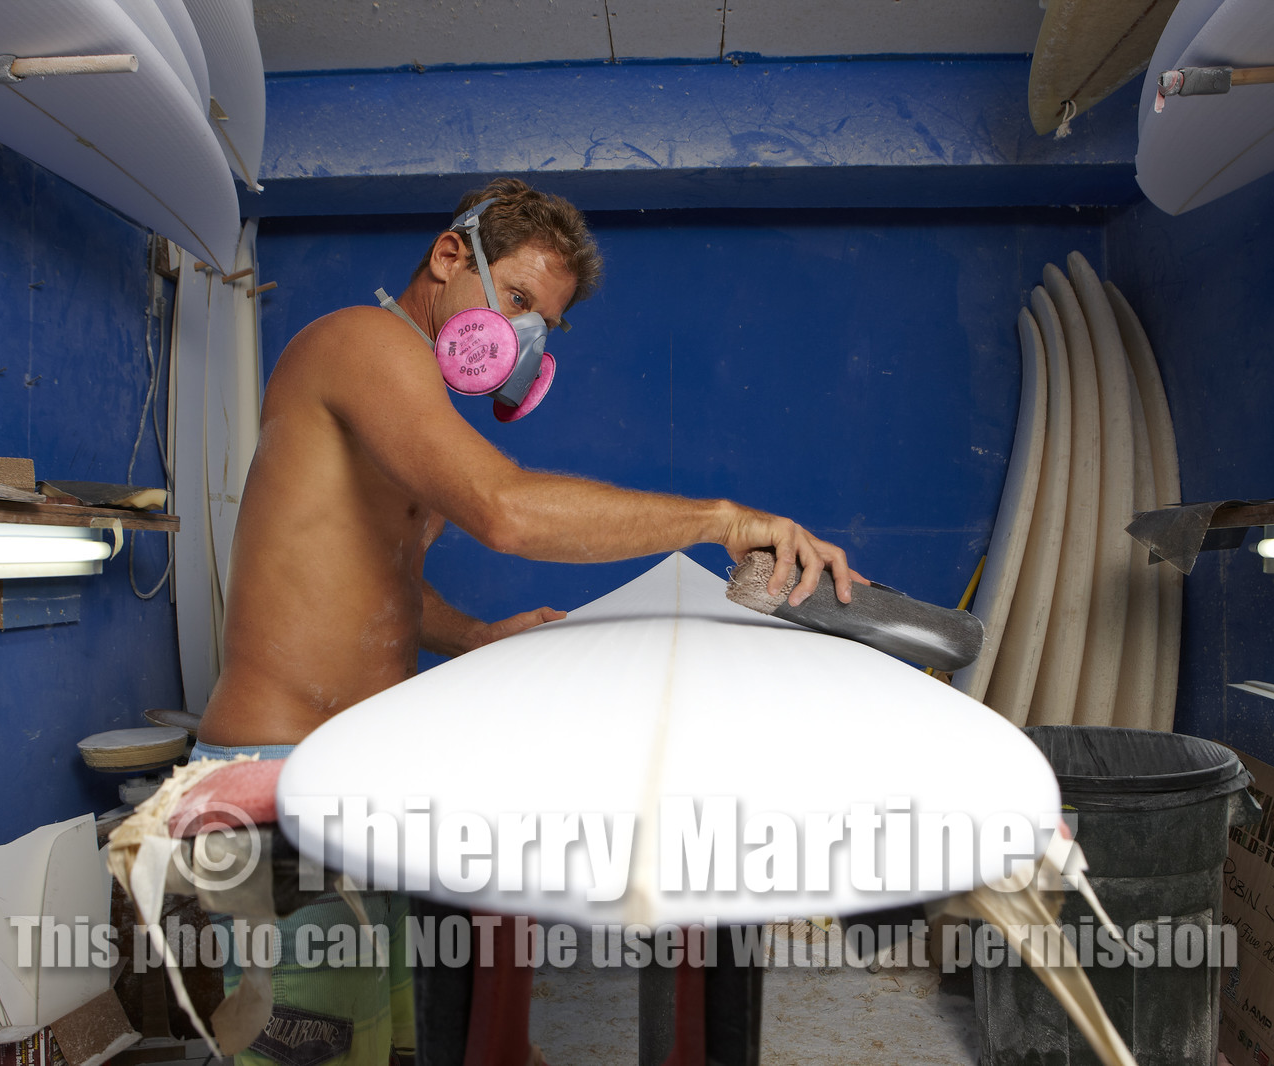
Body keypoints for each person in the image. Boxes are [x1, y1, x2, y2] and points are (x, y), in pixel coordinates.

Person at [192, 177, 857, 1066]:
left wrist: (473, 637)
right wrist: (721, 519)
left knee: (407, 1047)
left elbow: (378, 585)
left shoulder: (412, 408)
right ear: (449, 255)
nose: (524, 335)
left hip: (364, 786)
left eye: (545, 321)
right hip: (280, 785)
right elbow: (504, 510)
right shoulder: (361, 342)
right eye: (515, 300)